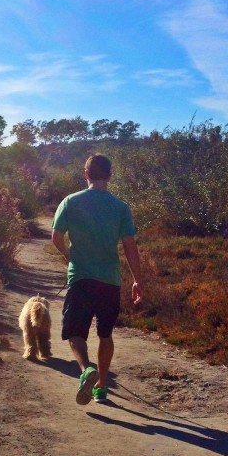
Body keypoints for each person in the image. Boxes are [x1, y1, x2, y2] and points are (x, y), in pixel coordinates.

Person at [52, 153, 142, 405]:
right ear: (110, 176)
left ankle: (86, 370)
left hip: (81, 278)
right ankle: (101, 387)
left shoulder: (70, 202)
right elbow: (130, 246)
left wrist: (71, 257)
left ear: (86, 174)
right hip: (110, 281)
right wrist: (138, 280)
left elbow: (56, 238)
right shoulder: (121, 207)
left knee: (75, 333)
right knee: (105, 334)